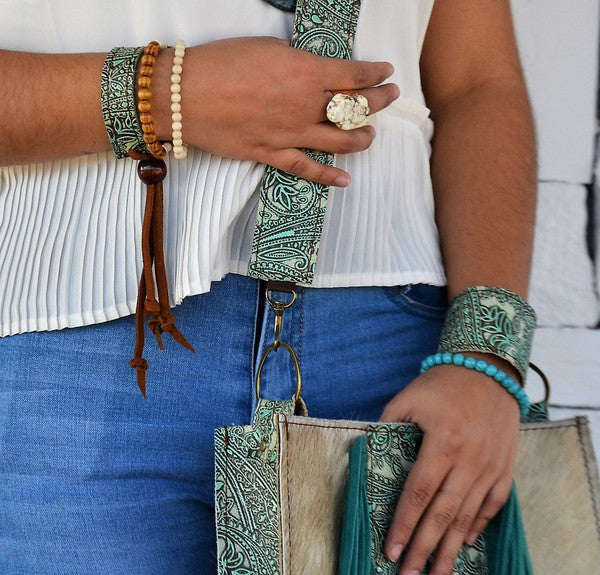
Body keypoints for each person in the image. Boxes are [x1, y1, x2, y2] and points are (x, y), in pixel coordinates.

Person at [0, 1, 536, 574]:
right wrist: (169, 94)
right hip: (76, 356)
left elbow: (478, 85)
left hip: (401, 359)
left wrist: (487, 354)